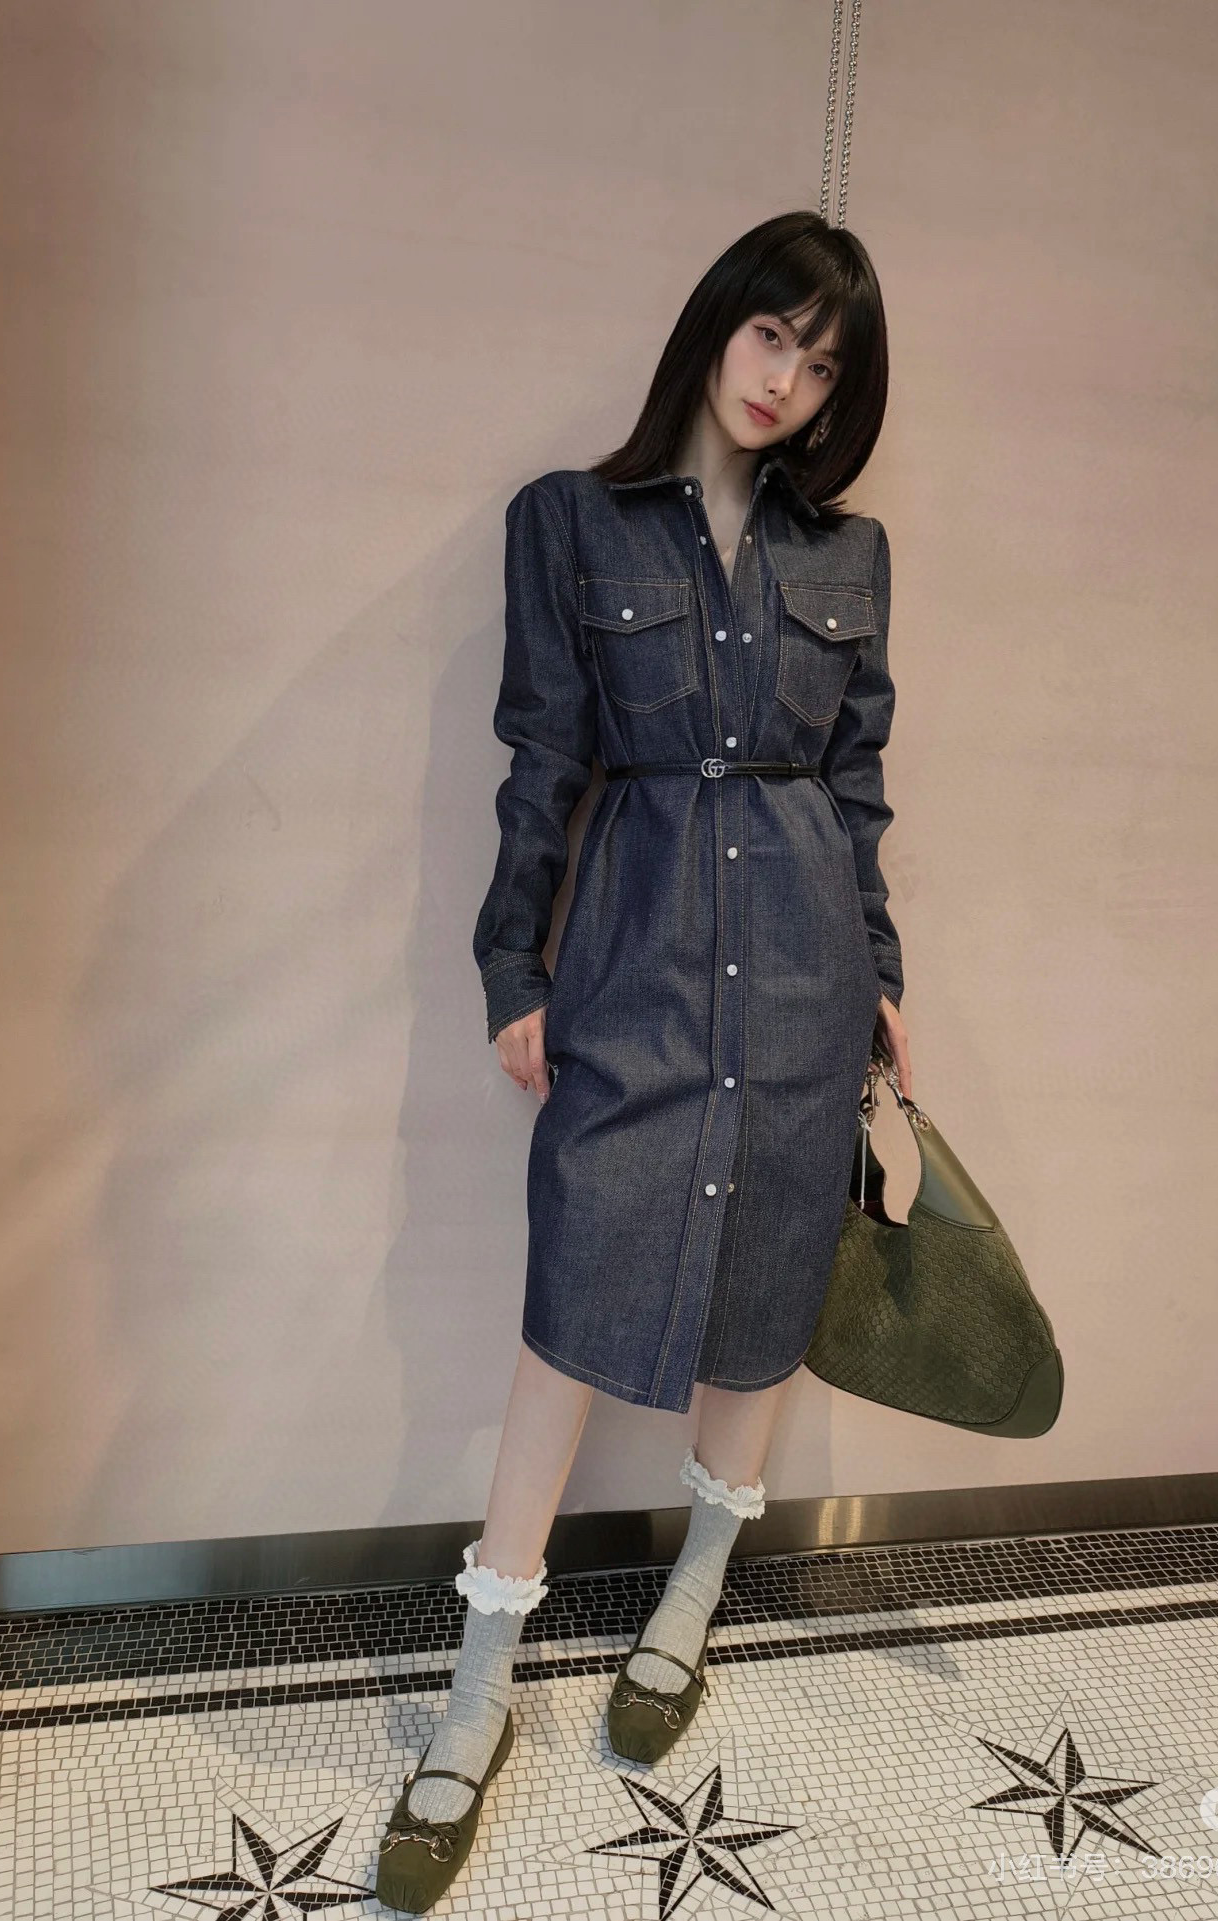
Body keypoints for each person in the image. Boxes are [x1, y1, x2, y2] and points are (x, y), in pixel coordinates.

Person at [376, 208, 912, 1913]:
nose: (788, 380)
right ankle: (480, 1681)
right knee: (577, 1296)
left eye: (823, 364)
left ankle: (692, 1596)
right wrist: (510, 965)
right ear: (719, 326)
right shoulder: (571, 521)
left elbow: (855, 787)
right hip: (639, 956)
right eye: (775, 335)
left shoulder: (851, 556)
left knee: (767, 1285)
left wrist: (884, 976)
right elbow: (542, 756)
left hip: (810, 967)